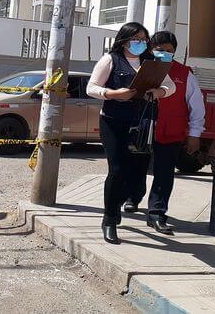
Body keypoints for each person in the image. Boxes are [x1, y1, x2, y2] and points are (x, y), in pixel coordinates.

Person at [86, 22, 176, 244]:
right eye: (135, 39)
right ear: (124, 40)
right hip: (113, 122)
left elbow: (170, 86)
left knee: (133, 170)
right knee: (116, 169)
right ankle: (109, 219)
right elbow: (91, 87)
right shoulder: (110, 60)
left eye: (144, 39)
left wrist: (159, 91)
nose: (140, 43)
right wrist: (114, 93)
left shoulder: (153, 62)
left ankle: (123, 202)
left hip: (141, 123)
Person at [143, 30, 206, 233]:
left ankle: (157, 213)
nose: (164, 53)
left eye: (169, 51)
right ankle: (133, 196)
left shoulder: (184, 74)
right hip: (141, 129)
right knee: (134, 169)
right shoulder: (141, 68)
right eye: (159, 50)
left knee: (164, 173)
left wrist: (194, 135)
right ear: (151, 50)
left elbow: (196, 106)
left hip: (170, 132)